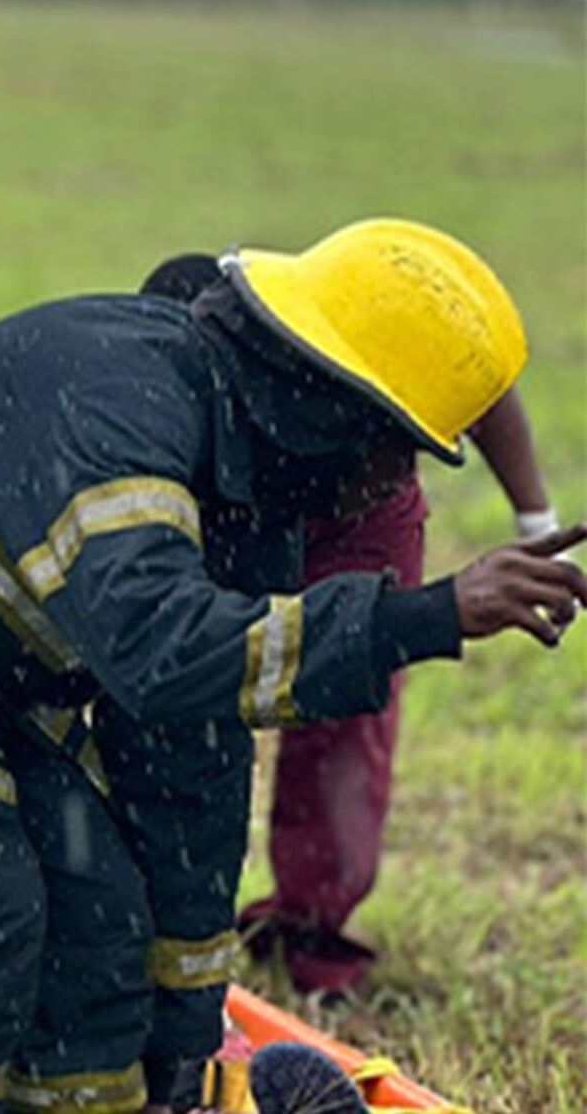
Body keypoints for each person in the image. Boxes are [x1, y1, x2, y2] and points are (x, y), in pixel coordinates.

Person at [0, 219, 585, 1114]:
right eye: (394, 450)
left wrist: (178, 1041)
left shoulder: (247, 489)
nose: (392, 485)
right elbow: (163, 647)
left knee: (98, 925)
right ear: (330, 401)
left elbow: (191, 772)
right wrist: (427, 615)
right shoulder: (129, 394)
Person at [141, 253, 565, 998]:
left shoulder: (364, 323)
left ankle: (309, 925)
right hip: (234, 499)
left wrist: (536, 518)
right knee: (190, 691)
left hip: (358, 503)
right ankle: (155, 918)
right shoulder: (171, 391)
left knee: (343, 706)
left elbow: (479, 371)